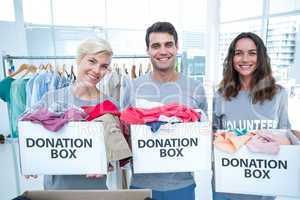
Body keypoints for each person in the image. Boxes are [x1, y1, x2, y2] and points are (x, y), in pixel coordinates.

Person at [122, 22, 207, 200]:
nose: (163, 51)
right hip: (141, 186)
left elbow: (202, 134)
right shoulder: (132, 87)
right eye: (156, 46)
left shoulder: (195, 88)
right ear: (147, 50)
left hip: (182, 185)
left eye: (168, 44)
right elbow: (124, 132)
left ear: (177, 47)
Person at [213, 32, 291, 200]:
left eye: (252, 53)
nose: (245, 59)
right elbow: (213, 137)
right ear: (232, 59)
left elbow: (287, 136)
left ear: (261, 57)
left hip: (264, 188)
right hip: (227, 186)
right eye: (238, 53)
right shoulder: (221, 95)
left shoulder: (279, 94)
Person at [32, 38, 117, 189]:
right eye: (92, 61)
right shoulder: (50, 99)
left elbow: (114, 153)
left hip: (95, 192)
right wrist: (30, 160)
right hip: (55, 192)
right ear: (79, 60)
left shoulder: (110, 105)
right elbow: (32, 137)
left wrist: (108, 160)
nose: (97, 70)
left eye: (104, 66)